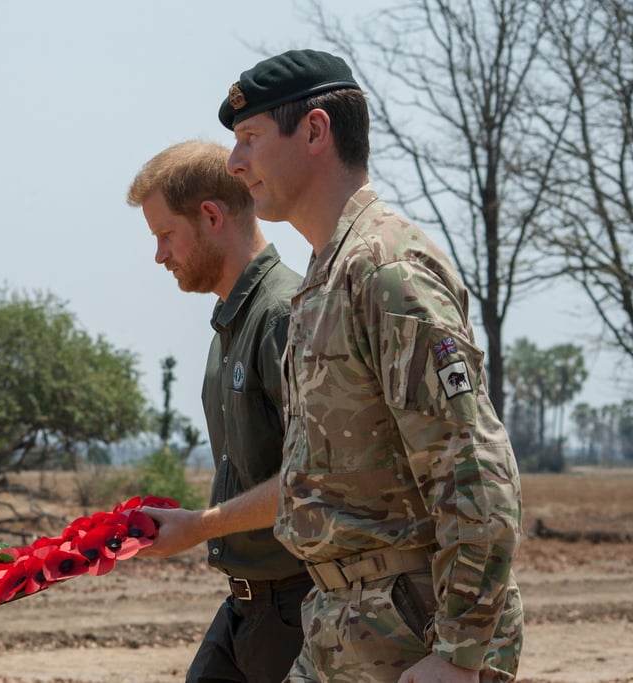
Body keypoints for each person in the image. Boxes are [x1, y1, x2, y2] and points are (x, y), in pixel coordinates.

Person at [218, 49, 524, 683]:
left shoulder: (387, 270)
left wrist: (460, 655)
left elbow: (474, 467)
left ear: (314, 131)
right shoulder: (325, 277)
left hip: (414, 633)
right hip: (339, 623)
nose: (234, 161)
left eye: (249, 137)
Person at [127, 140, 313, 683]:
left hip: (299, 608)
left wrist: (200, 526)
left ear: (210, 216)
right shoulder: (229, 321)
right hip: (244, 606)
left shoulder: (284, 314)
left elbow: (311, 479)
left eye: (165, 235)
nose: (160, 255)